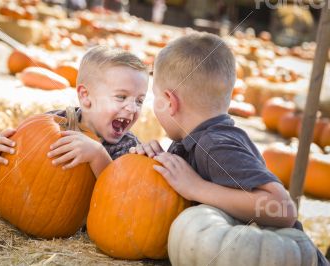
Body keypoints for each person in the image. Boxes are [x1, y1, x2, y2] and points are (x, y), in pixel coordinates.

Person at [130, 32, 328, 265]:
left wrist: (197, 187)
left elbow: (282, 209)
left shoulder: (216, 145)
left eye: (154, 97)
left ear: (169, 102)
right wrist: (154, 160)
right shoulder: (191, 140)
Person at [0, 46, 149, 177]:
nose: (133, 108)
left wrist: (98, 156)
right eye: (121, 97)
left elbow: (122, 194)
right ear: (85, 96)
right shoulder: (55, 122)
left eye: (139, 101)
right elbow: (20, 148)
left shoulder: (130, 149)